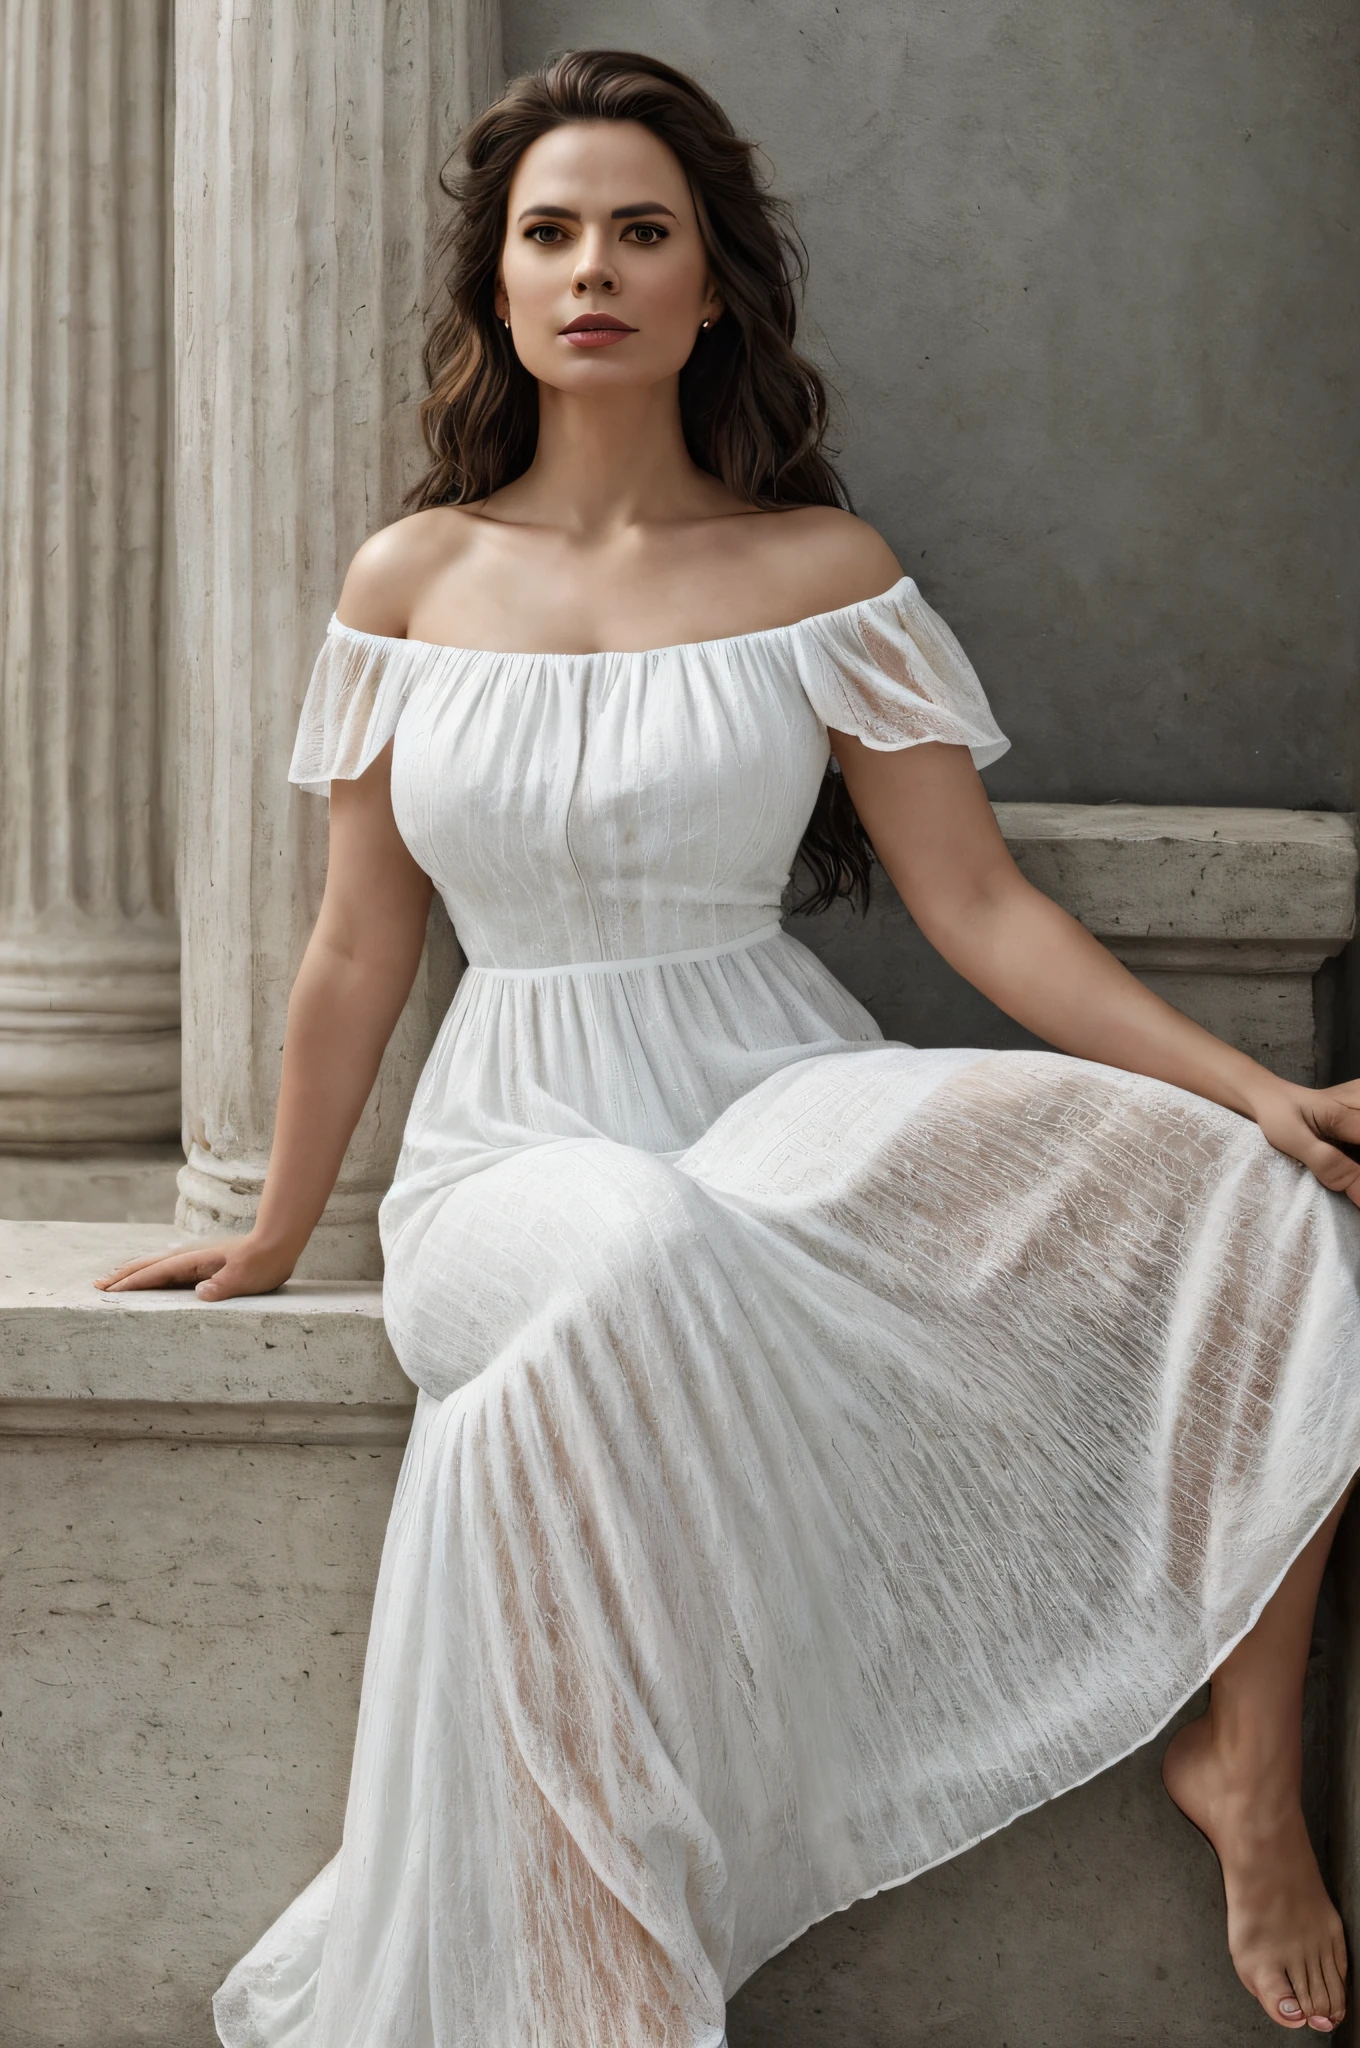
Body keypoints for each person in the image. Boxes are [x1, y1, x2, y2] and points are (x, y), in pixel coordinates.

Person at [97, 48, 1360, 2046]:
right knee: (620, 1248)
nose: (589, 265)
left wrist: (1245, 1088)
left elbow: (978, 907)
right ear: (497, 287)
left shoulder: (818, 578)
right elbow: (356, 945)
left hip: (777, 1099)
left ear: (708, 289)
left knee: (1254, 1209)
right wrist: (273, 1225)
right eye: (547, 232)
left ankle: (1243, 1764)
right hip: (513, 1147)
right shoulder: (407, 583)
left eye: (638, 230)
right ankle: (597, 1961)